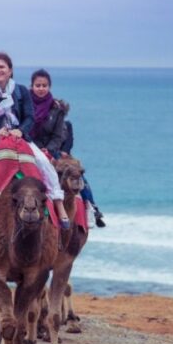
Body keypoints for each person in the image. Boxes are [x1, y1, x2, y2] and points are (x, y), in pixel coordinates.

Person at [0, 52, 69, 236]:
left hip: (18, 138)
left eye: (2, 67)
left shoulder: (21, 91)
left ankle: (59, 206)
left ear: (10, 71)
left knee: (44, 164)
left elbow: (29, 117)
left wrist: (20, 131)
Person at [28, 69, 106, 228]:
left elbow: (58, 136)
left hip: (50, 150)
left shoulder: (57, 109)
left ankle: (90, 206)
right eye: (38, 85)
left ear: (49, 87)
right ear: (32, 86)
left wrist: (48, 151)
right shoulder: (24, 105)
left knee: (77, 174)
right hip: (29, 147)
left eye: (44, 85)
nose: (41, 88)